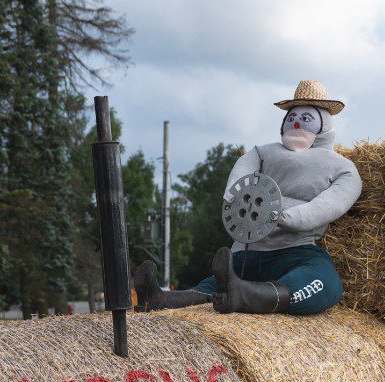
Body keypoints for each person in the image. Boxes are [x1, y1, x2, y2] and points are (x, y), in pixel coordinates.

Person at [134, 80, 362, 315]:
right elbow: (238, 181)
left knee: (216, 287)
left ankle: (234, 293)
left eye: (306, 118)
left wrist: (285, 215)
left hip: (269, 249)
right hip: (272, 252)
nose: (296, 122)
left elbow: (330, 204)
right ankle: (162, 297)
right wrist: (236, 201)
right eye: (292, 116)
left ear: (324, 126)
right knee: (325, 282)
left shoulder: (339, 166)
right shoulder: (262, 152)